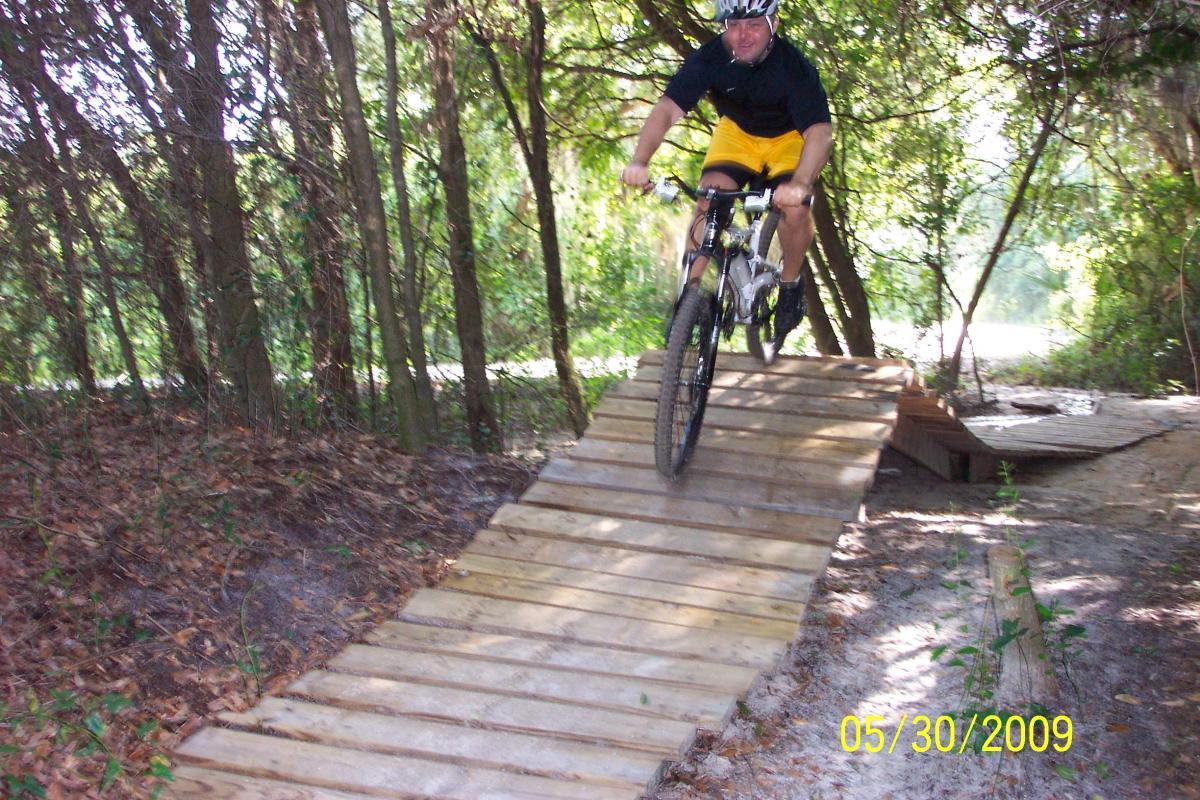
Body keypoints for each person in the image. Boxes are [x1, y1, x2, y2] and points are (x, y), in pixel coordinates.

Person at [621, 0, 834, 350]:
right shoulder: (711, 57)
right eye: (733, 25)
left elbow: (820, 134)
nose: (742, 34)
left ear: (773, 24)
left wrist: (800, 184)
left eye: (753, 24)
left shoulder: (793, 68)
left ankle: (792, 284)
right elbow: (667, 109)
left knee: (796, 210)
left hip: (788, 138)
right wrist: (640, 160)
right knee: (709, 201)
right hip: (737, 135)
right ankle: (686, 306)